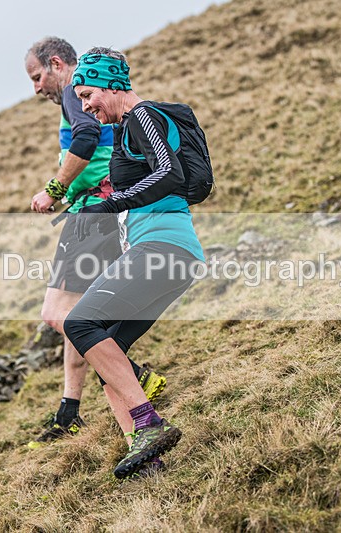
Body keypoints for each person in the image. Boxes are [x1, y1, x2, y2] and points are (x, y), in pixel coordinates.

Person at [65, 47, 206, 478]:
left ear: (111, 84)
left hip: (164, 249)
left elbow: (169, 176)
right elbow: (157, 178)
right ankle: (148, 460)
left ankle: (148, 424)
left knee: (78, 324)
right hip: (169, 253)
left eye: (89, 95)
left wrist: (110, 205)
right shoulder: (132, 127)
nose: (87, 106)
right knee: (110, 350)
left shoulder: (142, 115)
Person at [23, 37, 166, 449]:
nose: (36, 88)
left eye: (37, 77)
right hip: (101, 210)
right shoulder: (82, 95)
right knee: (81, 316)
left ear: (55, 64)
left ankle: (134, 376)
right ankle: (70, 409)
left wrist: (53, 188)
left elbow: (85, 136)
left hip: (92, 213)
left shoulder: (73, 92)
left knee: (58, 314)